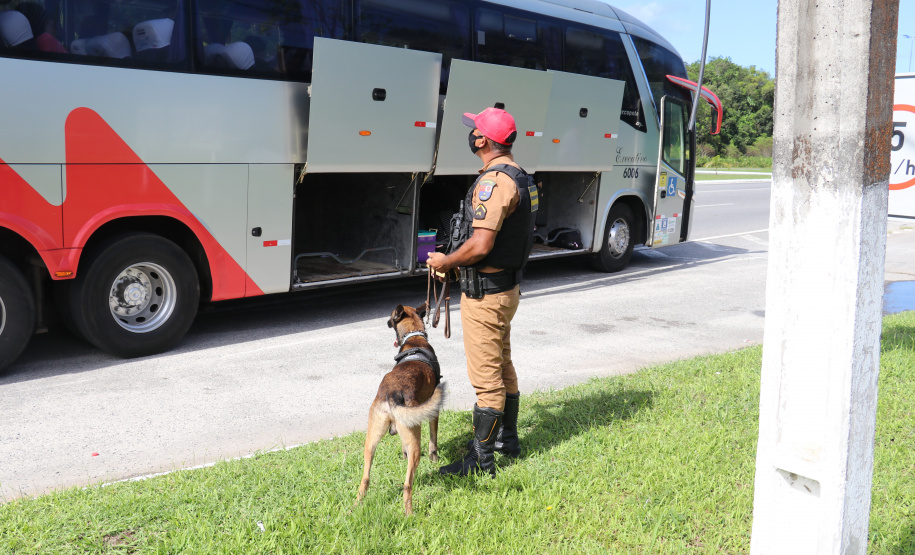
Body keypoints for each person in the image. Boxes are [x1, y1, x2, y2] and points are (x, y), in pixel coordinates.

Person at [426, 107, 538, 477]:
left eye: (475, 130)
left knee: (487, 380)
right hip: (506, 290)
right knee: (503, 365)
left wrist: (447, 261)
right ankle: (508, 440)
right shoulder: (520, 176)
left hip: (486, 298)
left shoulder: (494, 183)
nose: (471, 134)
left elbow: (481, 244)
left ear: (483, 141)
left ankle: (481, 462)